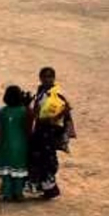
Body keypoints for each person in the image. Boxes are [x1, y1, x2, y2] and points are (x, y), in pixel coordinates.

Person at [28, 67, 74, 199]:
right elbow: (37, 111)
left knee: (48, 160)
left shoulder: (57, 95)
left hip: (50, 132)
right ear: (40, 78)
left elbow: (62, 115)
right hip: (40, 130)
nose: (47, 79)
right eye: (44, 77)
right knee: (39, 158)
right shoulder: (40, 92)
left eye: (50, 77)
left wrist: (59, 115)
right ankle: (46, 188)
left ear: (54, 78)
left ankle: (51, 190)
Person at [0, 85, 33, 202]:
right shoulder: (23, 111)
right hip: (20, 145)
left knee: (6, 171)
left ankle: (7, 193)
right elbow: (28, 128)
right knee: (19, 171)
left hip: (5, 145)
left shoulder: (2, 111)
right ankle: (18, 193)